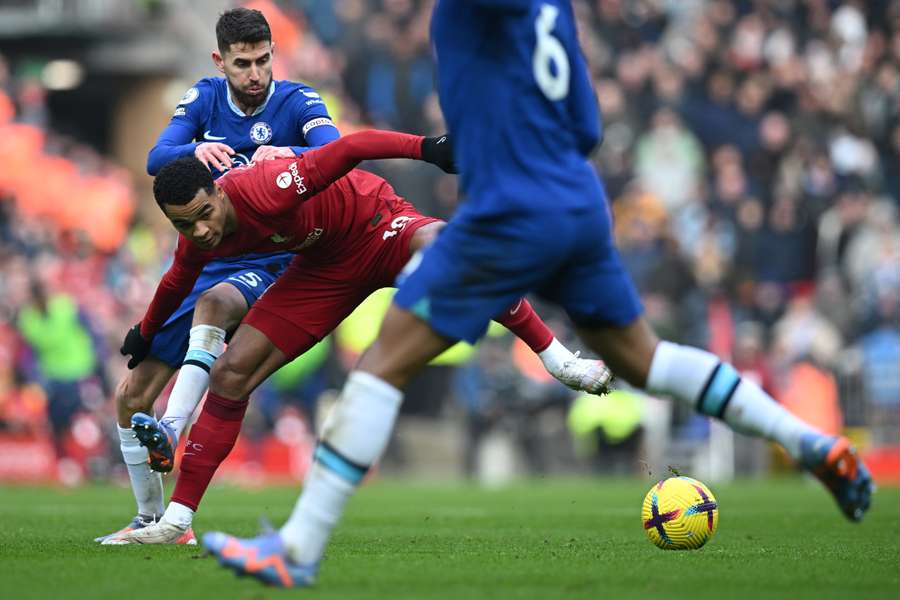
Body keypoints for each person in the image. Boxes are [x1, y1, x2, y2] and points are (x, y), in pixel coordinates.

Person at [201, 0, 874, 588]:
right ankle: (812, 444)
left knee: (382, 363)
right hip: (576, 201)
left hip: (507, 208)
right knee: (645, 358)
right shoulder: (554, 9)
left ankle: (297, 550)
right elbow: (585, 126)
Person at [104, 129, 610, 545]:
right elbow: (175, 282)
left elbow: (353, 147)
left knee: (451, 254)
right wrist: (144, 334)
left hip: (377, 225)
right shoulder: (196, 237)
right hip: (323, 270)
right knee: (231, 373)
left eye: (204, 214)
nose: (200, 231)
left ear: (218, 190)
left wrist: (430, 149)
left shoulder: (265, 186)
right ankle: (177, 520)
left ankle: (558, 359)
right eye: (184, 224)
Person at [94, 7, 342, 544]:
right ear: (219, 61)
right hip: (209, 251)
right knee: (131, 394)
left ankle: (173, 428)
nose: (255, 74)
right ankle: (149, 520)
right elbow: (159, 157)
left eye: (263, 60)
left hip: (272, 258)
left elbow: (334, 152)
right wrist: (196, 148)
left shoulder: (298, 100)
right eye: (243, 63)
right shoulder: (205, 97)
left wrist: (290, 153)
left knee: (217, 304)